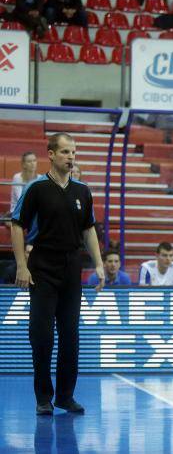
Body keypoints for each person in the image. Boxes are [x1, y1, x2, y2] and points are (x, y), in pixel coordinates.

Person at [11, 132, 104, 416]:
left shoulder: (82, 191)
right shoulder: (36, 187)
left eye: (73, 152)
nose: (71, 157)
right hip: (42, 266)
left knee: (70, 336)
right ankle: (43, 397)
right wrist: (22, 266)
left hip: (71, 266)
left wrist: (98, 264)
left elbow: (88, 229)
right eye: (65, 152)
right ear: (50, 154)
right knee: (41, 335)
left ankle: (65, 396)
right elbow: (17, 225)